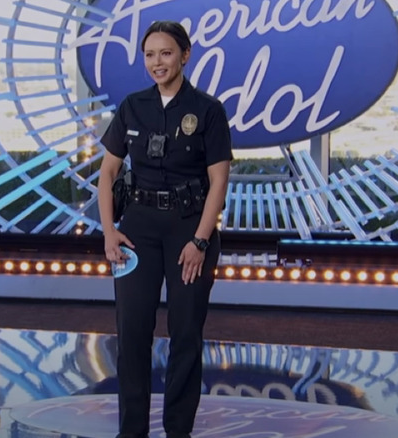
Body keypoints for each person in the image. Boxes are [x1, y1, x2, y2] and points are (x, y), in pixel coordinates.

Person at [96, 20, 233, 438]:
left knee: (185, 335)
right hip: (136, 229)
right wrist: (108, 231)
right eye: (150, 55)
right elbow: (107, 173)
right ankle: (131, 432)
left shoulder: (208, 110)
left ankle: (178, 432)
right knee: (132, 333)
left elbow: (219, 183)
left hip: (189, 230)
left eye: (166, 53)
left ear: (185, 55)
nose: (158, 62)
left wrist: (200, 241)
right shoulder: (132, 106)